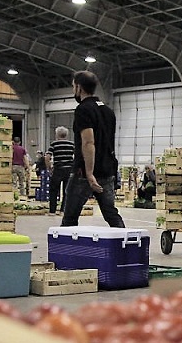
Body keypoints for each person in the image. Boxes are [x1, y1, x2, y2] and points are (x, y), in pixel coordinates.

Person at [61, 70, 125, 228]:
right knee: (111, 213)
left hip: (84, 173)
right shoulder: (108, 111)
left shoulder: (83, 109)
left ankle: (65, 252)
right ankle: (124, 247)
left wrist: (89, 174)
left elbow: (88, 142)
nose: (72, 90)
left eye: (73, 86)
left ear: (79, 88)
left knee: (70, 217)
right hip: (107, 170)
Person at [46, 126, 75, 215]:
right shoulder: (72, 144)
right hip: (69, 169)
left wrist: (49, 168)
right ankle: (63, 210)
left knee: (54, 190)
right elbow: (78, 156)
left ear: (57, 134)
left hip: (58, 169)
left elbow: (47, 157)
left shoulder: (54, 144)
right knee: (67, 191)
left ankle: (52, 211)